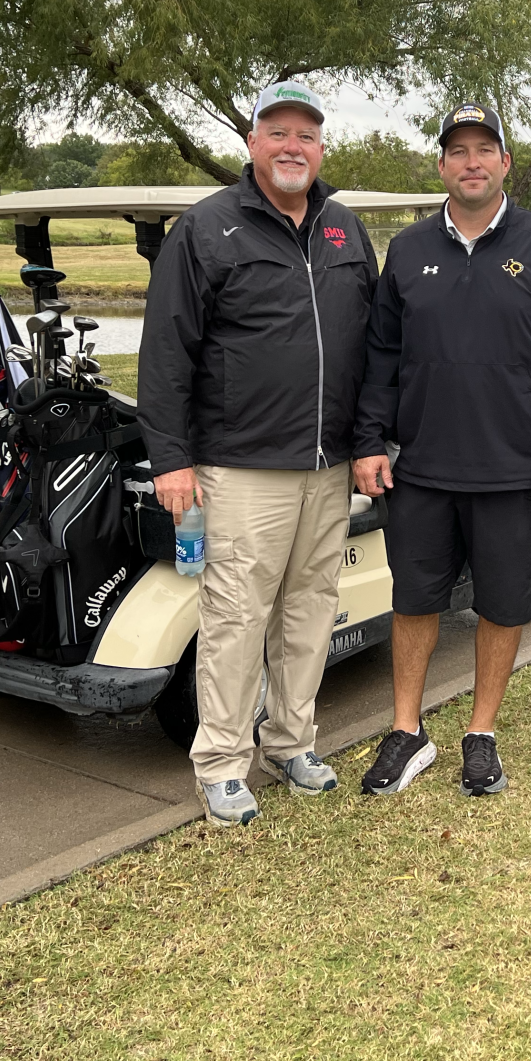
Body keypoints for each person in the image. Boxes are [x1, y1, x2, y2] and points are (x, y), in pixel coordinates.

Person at [137, 80, 378, 828]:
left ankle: (292, 742)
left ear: (321, 148)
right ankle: (220, 762)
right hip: (240, 467)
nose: (292, 147)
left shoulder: (344, 231)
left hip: (328, 465)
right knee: (236, 617)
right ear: (251, 145)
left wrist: (368, 442)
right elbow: (166, 353)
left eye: (305, 134)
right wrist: (171, 460)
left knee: (311, 611)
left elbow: (372, 348)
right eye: (277, 133)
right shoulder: (208, 229)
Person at [351, 102, 531, 798]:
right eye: (457, 151)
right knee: (415, 600)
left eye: (483, 150)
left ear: (504, 163)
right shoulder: (407, 249)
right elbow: (381, 358)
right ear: (441, 165)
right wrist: (369, 441)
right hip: (423, 467)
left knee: (501, 605)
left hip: (514, 468)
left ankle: (480, 733)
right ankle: (408, 731)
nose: (471, 162)